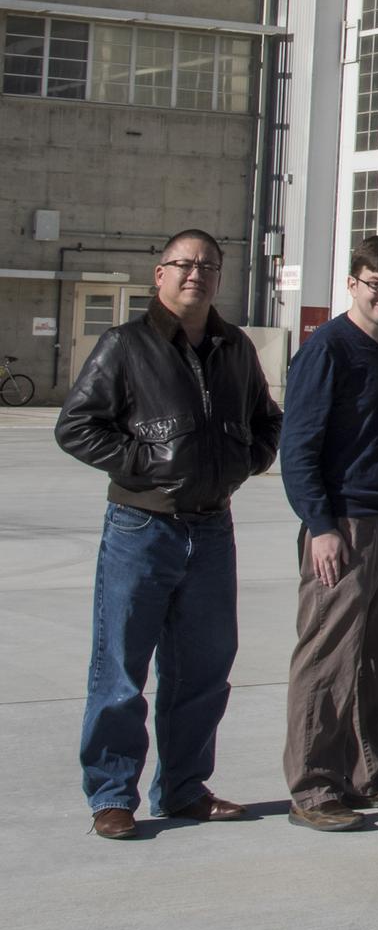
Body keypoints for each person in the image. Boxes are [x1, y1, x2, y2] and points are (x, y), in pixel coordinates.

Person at [56, 229, 282, 839]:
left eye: (208, 266)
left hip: (212, 529)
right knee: (120, 670)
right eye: (183, 265)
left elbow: (267, 420)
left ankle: (184, 788)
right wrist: (144, 464)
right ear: (160, 275)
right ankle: (111, 794)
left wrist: (245, 461)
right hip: (141, 527)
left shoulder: (234, 346)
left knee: (203, 671)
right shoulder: (125, 344)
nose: (196, 275)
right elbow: (76, 426)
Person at [279, 235, 378, 832]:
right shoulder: (329, 350)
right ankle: (314, 786)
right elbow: (298, 446)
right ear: (352, 285)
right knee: (327, 654)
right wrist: (320, 525)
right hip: (343, 524)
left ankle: (372, 774)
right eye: (374, 285)